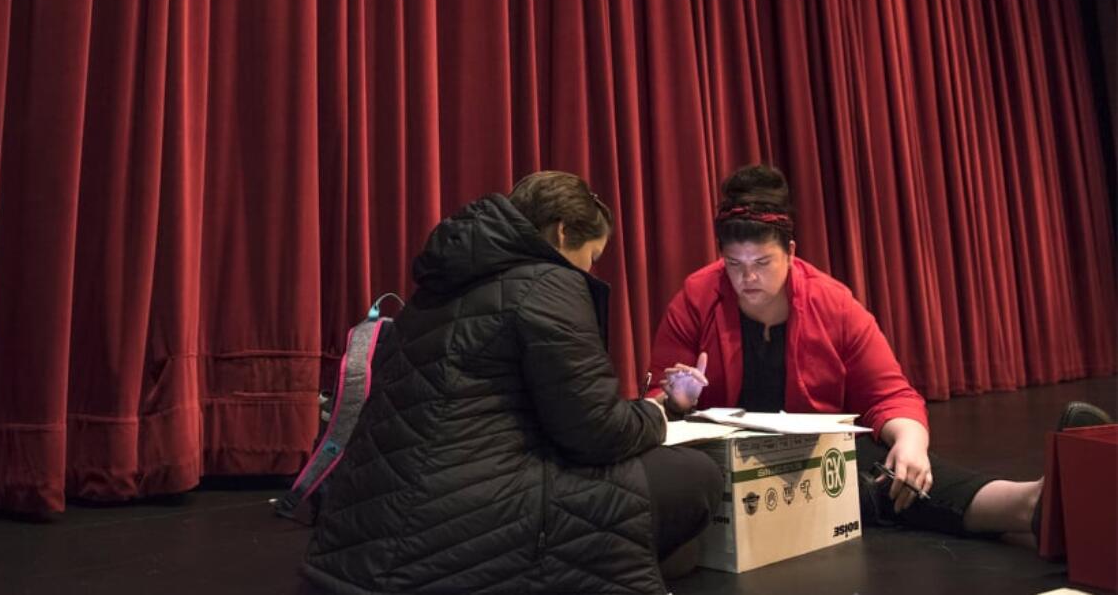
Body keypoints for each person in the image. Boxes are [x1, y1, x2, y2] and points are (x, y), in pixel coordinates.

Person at [305, 171, 724, 595]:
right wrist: (657, 413)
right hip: (452, 524)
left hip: (361, 536)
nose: (588, 270)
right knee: (694, 476)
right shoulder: (548, 282)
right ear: (562, 233)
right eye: (592, 257)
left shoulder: (440, 283)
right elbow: (595, 433)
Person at [648, 164, 1110, 542]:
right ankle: (1040, 508)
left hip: (816, 456)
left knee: (899, 474)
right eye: (734, 265)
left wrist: (911, 441)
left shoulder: (831, 301)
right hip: (725, 464)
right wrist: (677, 401)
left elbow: (891, 395)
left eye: (762, 263)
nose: (747, 278)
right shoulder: (696, 298)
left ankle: (1038, 504)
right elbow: (656, 403)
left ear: (790, 252)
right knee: (864, 492)